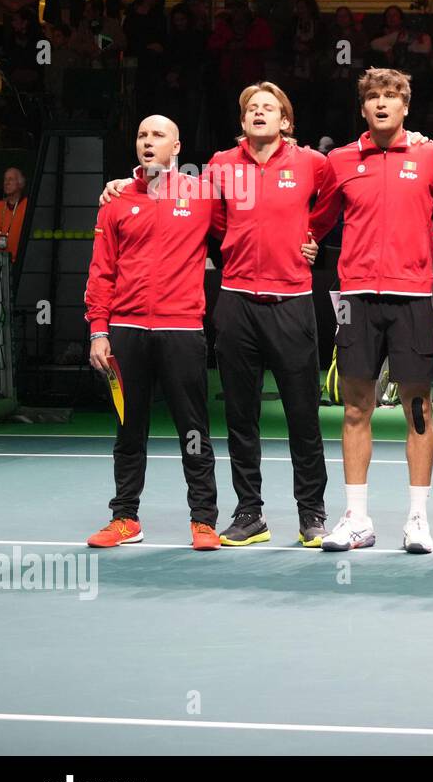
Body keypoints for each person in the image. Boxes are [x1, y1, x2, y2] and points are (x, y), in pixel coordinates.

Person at [100, 83, 332, 547]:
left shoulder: (312, 163)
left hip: (292, 301)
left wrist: (312, 234)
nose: (259, 113)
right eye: (251, 108)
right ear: (242, 121)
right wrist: (126, 182)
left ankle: (312, 514)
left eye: (269, 108)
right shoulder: (221, 168)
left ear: (285, 120)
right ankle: (250, 514)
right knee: (241, 417)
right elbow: (203, 212)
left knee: (303, 415)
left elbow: (334, 201)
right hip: (236, 303)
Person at [308, 68, 433, 553]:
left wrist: (409, 250)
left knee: (417, 408)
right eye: (374, 97)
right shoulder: (339, 160)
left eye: (392, 96)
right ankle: (357, 519)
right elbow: (316, 219)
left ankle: (417, 519)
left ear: (406, 106)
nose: (383, 103)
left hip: (411, 296)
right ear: (363, 108)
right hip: (355, 298)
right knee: (354, 407)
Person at [84, 115, 220, 551]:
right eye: (142, 135)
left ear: (176, 146)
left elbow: (248, 227)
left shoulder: (202, 195)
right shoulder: (117, 200)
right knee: (129, 428)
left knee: (193, 429)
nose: (148, 142)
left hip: (182, 328)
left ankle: (203, 520)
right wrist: (97, 331)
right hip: (125, 331)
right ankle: (125, 517)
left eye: (158, 135)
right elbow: (101, 271)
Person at [0, 166, 27, 261]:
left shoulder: (27, 205)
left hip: (20, 262)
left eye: (11, 179)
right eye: (5, 179)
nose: (6, 183)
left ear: (20, 184)